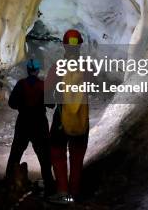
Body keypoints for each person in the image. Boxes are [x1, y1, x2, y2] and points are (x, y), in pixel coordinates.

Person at [45, 29, 90, 204]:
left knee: (57, 153)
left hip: (61, 118)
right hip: (81, 117)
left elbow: (48, 92)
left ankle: (63, 192)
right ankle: (75, 193)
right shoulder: (88, 67)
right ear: (80, 46)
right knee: (77, 157)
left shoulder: (58, 68)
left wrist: (49, 102)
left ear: (64, 46)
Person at [5, 59, 55, 194]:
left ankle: (8, 183)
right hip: (39, 123)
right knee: (45, 157)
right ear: (38, 71)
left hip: (23, 122)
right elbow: (52, 105)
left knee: (15, 154)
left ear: (27, 70)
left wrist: (23, 105)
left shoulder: (21, 84)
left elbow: (12, 103)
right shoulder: (43, 85)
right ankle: (49, 186)